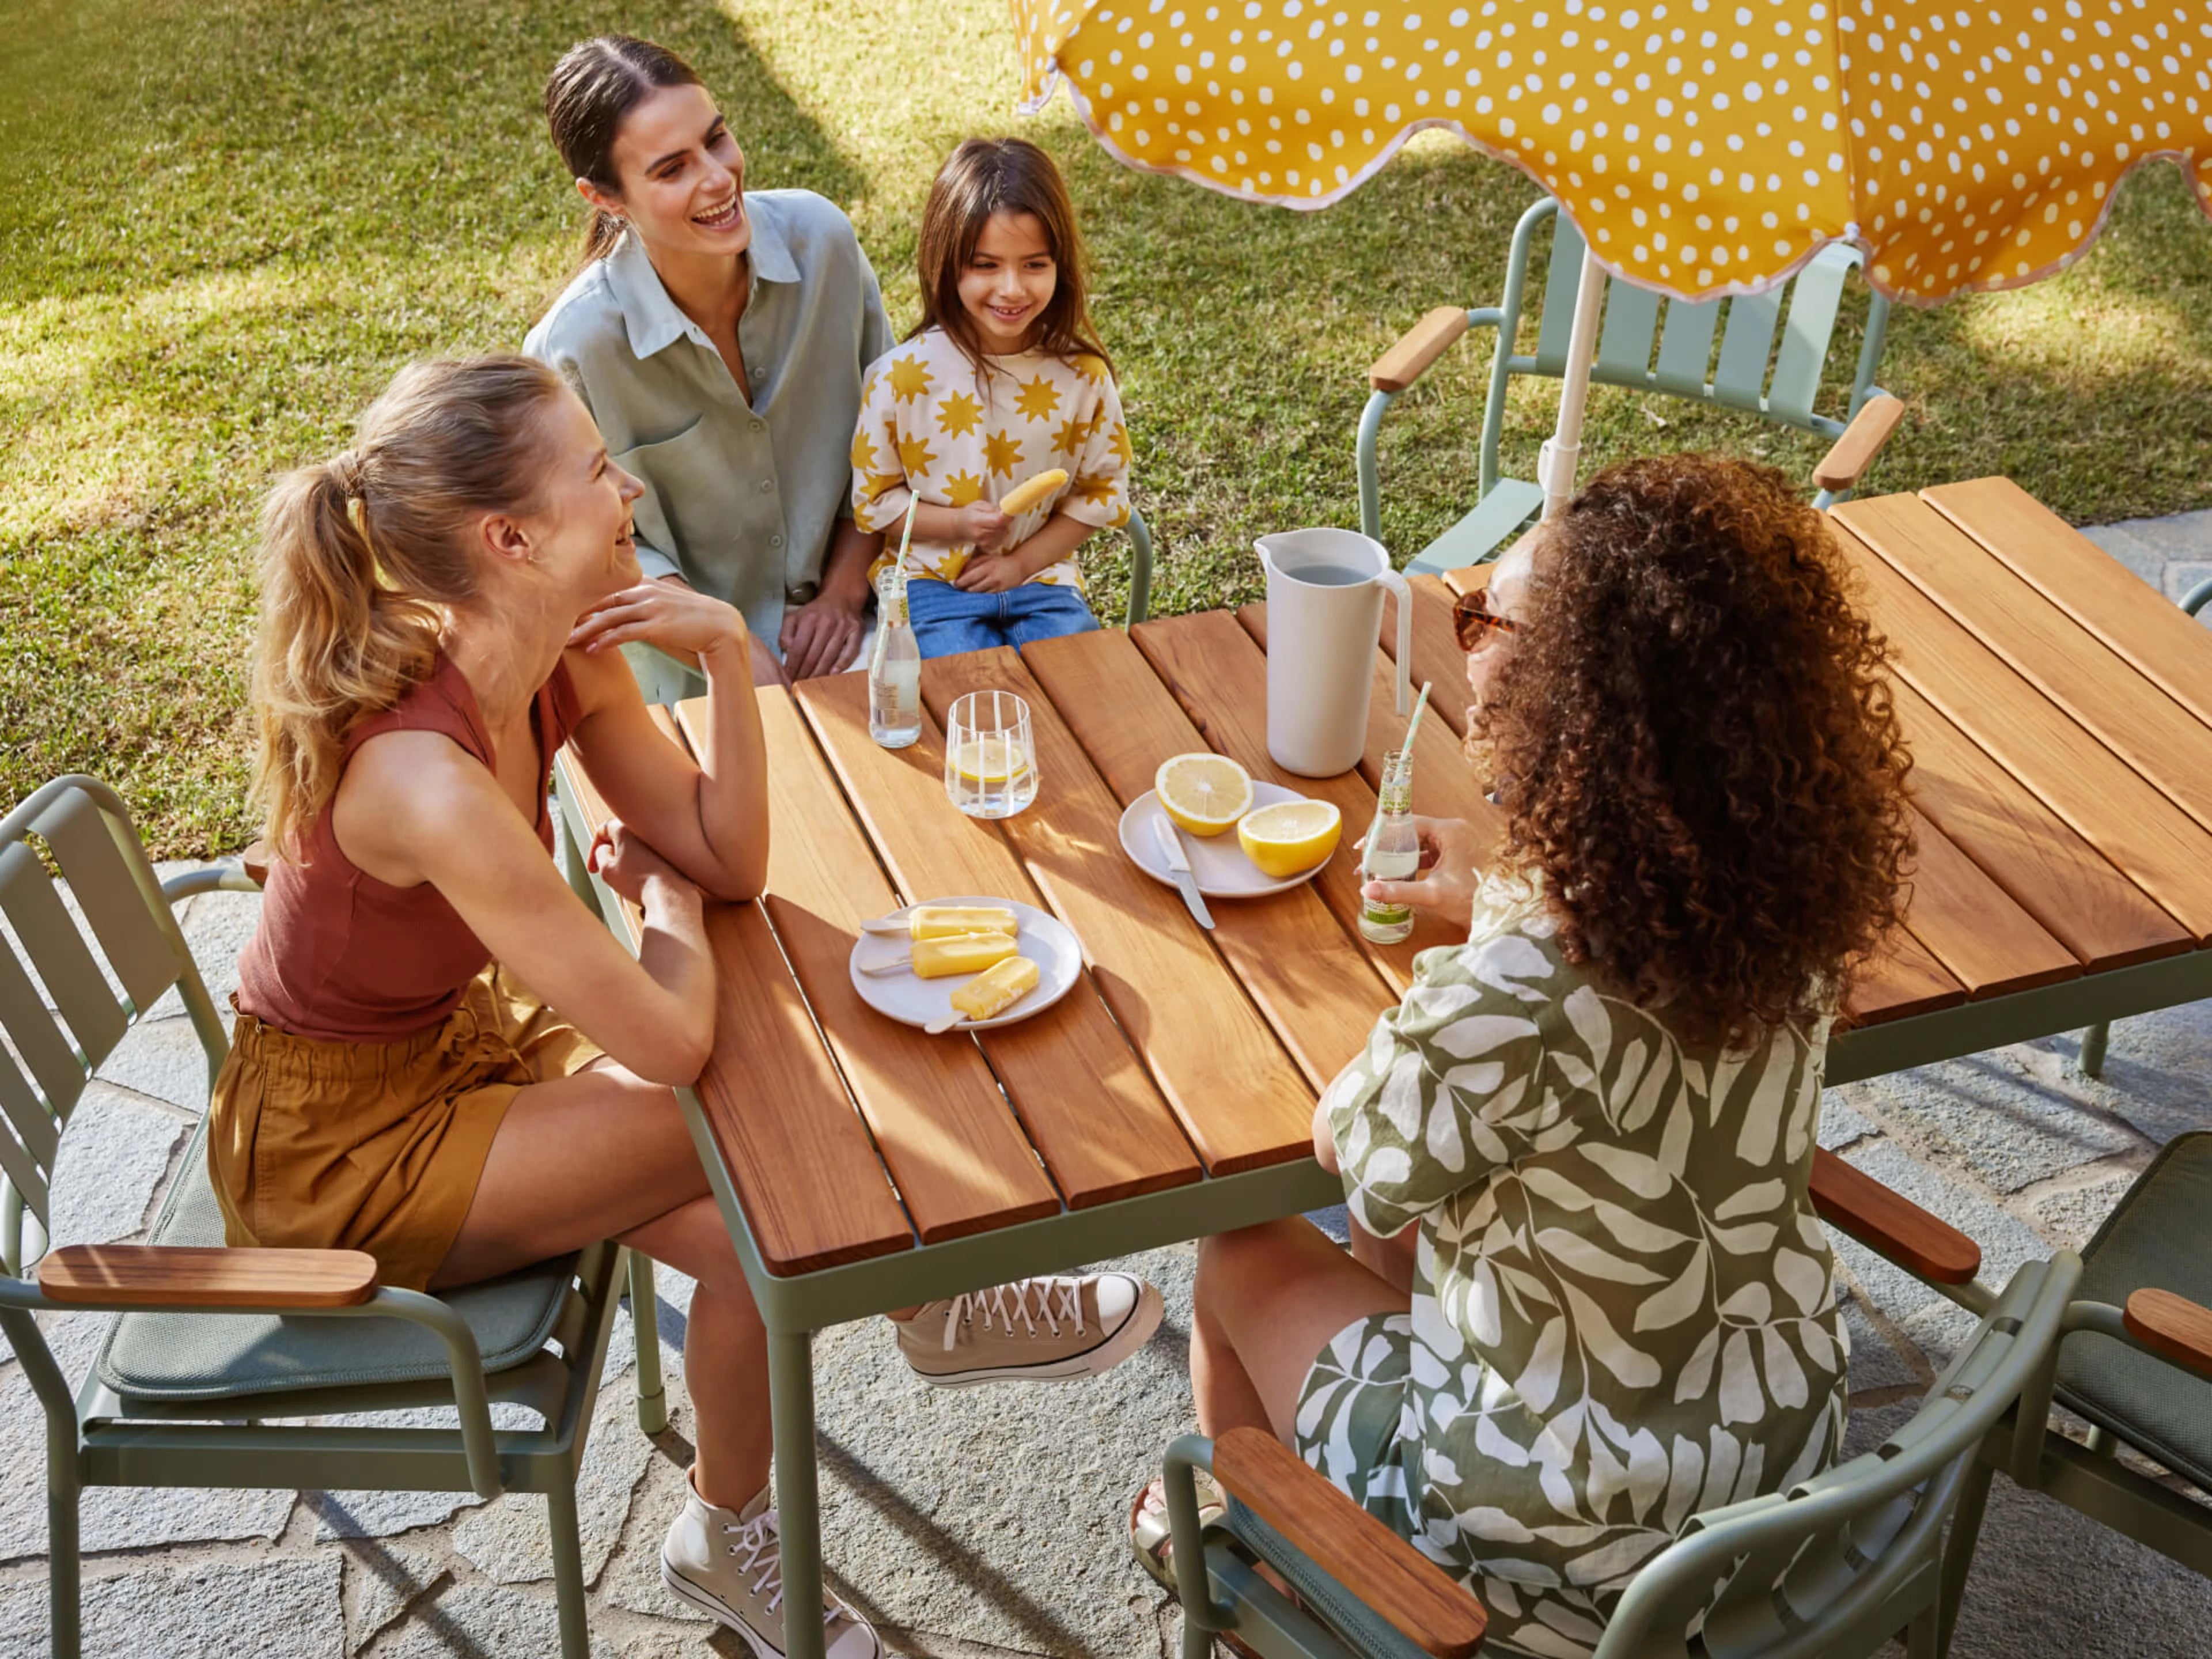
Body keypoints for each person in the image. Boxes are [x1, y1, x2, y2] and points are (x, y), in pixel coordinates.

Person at [1138, 457, 1916, 1658]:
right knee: (1429, 1228)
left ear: (1569, 693)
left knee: (1241, 1247)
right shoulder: (1782, 900)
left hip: (1549, 1542)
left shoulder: (1519, 989)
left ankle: (1271, 1571)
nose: (1470, 644)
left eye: (1489, 617)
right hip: (1768, 1472)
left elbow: (1352, 1150)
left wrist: (1496, 937)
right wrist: (1514, 887)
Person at [222, 353, 884, 1654]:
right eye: (597, 468)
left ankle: (722, 1524)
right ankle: (936, 1292)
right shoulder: (426, 778)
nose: (627, 484)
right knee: (763, 1106)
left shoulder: (562, 643)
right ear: (511, 537)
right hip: (338, 1154)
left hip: (461, 1047)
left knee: (750, 1229)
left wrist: (726, 664)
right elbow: (675, 1033)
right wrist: (662, 919)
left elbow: (724, 854)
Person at [525, 34, 888, 683]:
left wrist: (843, 594)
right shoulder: (572, 351)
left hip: (858, 626)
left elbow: (893, 441)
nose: (719, 178)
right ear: (603, 198)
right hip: (687, 675)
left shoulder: (824, 241)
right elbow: (593, 556)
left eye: (716, 140)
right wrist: (734, 651)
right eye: (672, 169)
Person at [849, 137, 1130, 656]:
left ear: (1060, 266)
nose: (1011, 289)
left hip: (1043, 581)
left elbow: (1101, 496)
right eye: (985, 265)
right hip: (932, 585)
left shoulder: (1083, 378)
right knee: (965, 691)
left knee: (1084, 685)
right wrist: (956, 523)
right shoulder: (899, 378)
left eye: (1034, 264)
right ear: (947, 262)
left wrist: (1020, 565)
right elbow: (874, 506)